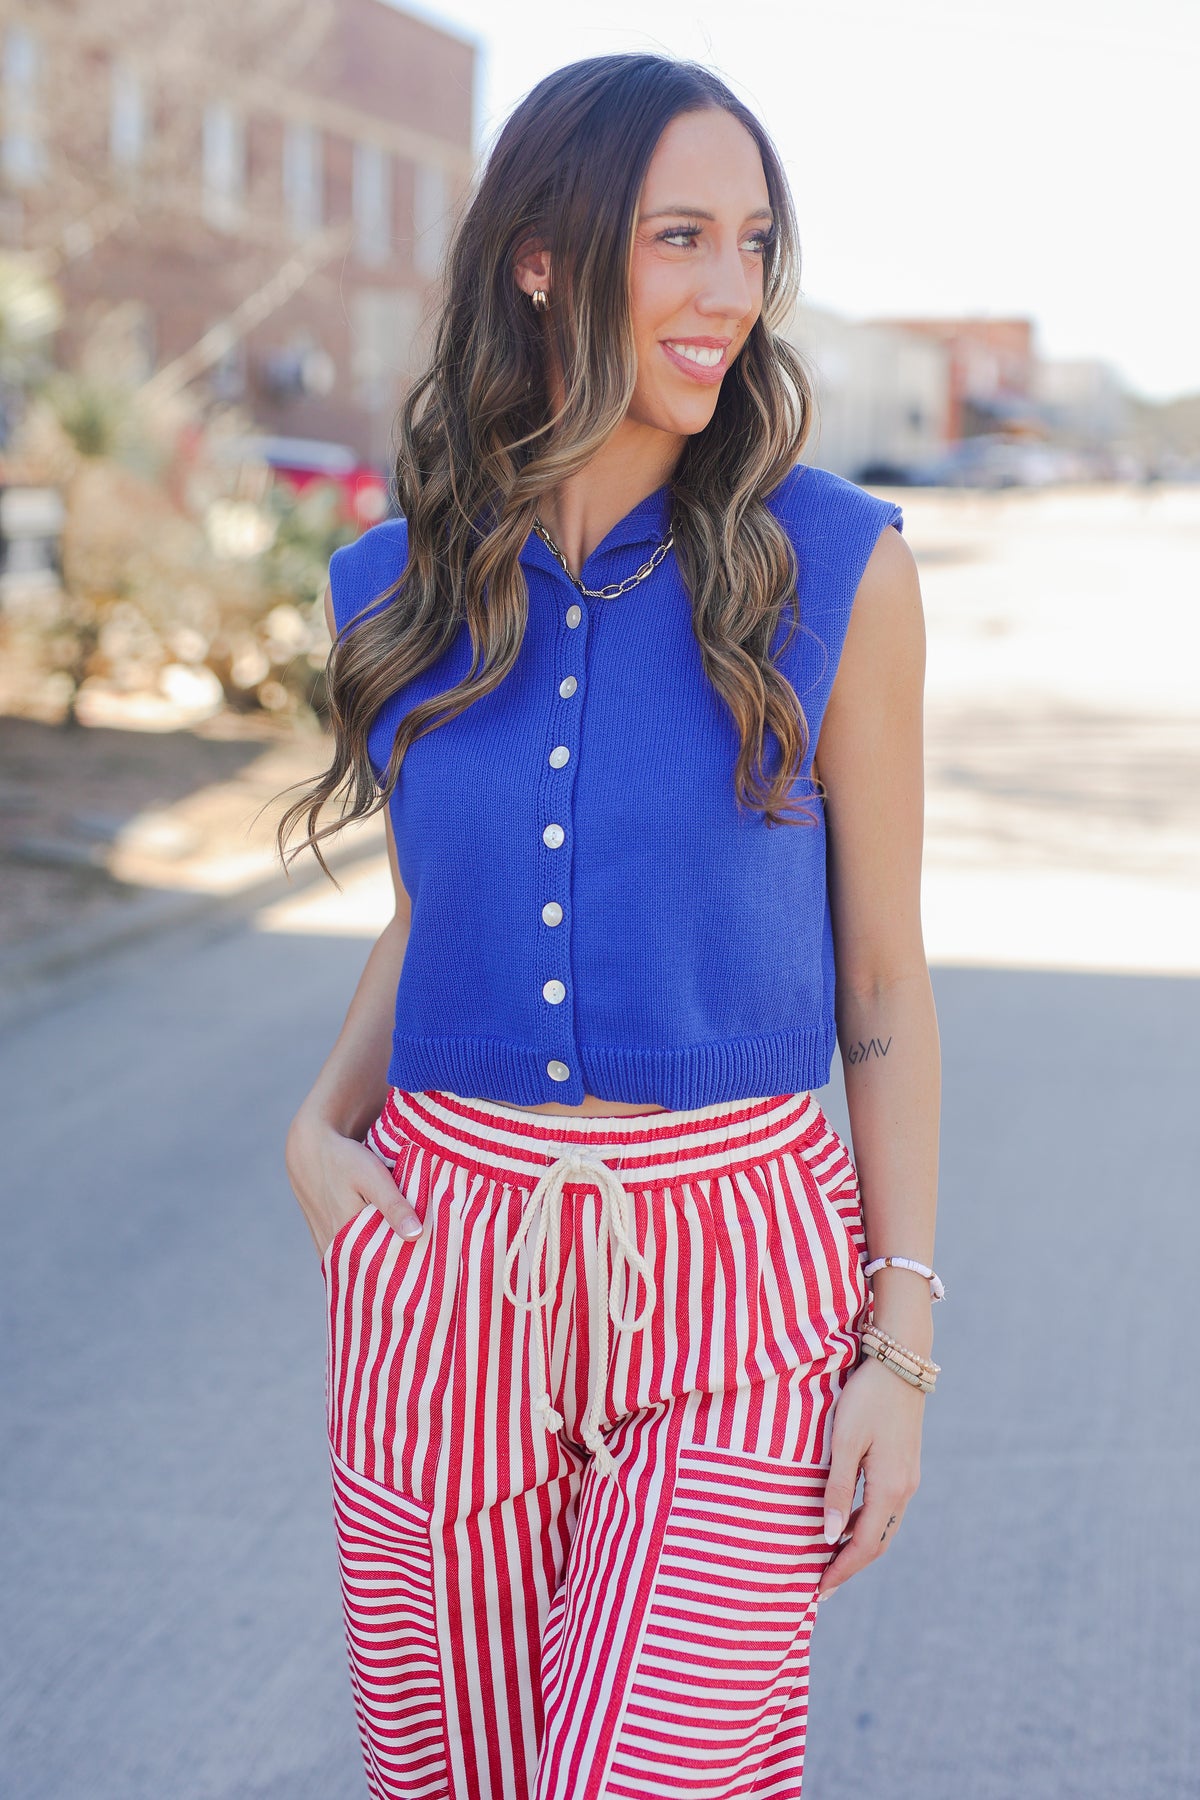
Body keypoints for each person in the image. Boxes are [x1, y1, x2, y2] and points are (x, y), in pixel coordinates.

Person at [278, 51, 942, 1800]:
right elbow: (437, 916)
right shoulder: (390, 584)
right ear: (546, 261)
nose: (732, 290)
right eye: (679, 238)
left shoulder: (836, 564)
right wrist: (316, 1122)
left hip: (735, 1281)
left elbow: (881, 978)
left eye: (753, 242)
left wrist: (903, 1347)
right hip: (446, 1265)